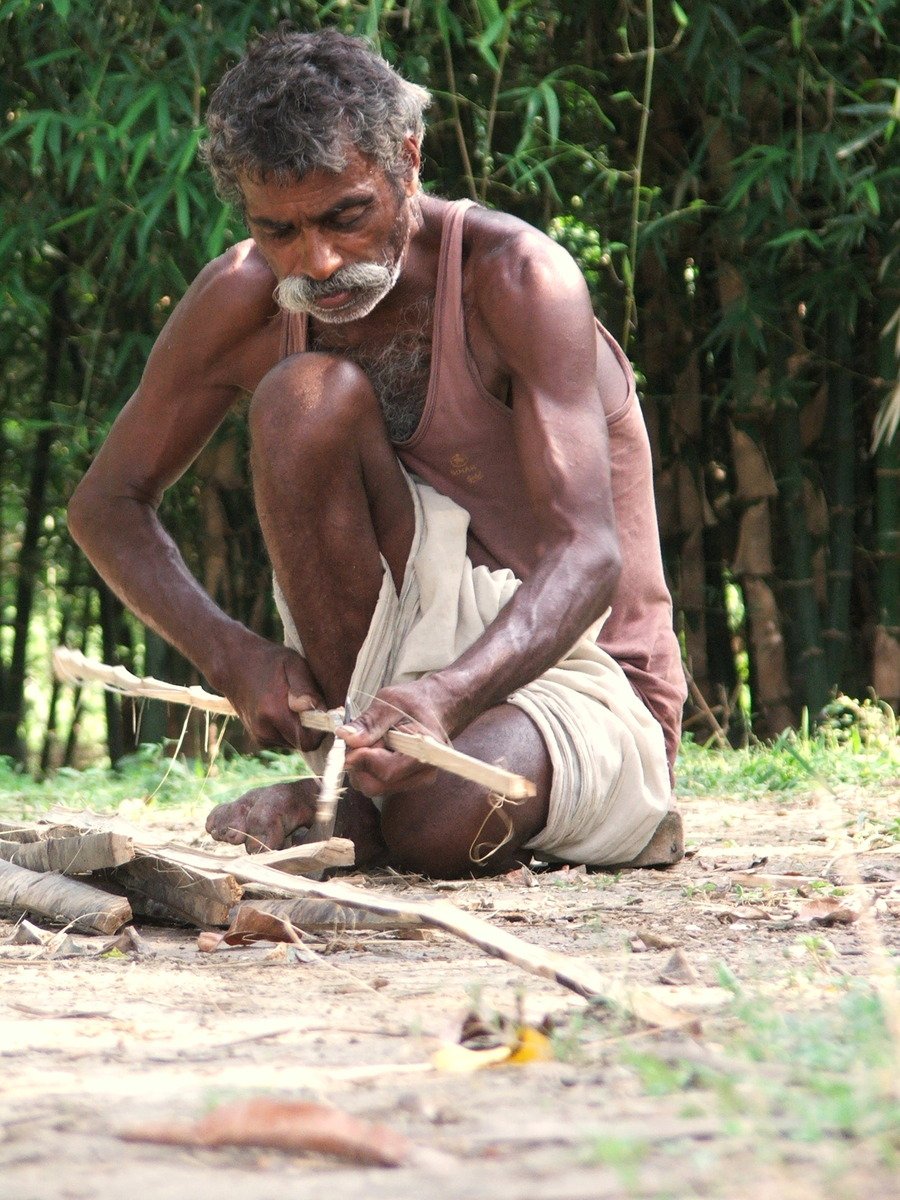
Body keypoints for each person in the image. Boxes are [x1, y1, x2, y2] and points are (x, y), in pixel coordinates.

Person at [67, 28, 686, 879]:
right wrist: (232, 654)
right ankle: (363, 787)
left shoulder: (517, 279)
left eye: (345, 216)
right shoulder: (243, 297)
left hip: (577, 672)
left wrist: (448, 696)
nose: (314, 262)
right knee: (301, 398)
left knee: (441, 827)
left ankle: (366, 807)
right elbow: (106, 503)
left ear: (408, 159)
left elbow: (589, 554)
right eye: (276, 229)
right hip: (386, 700)